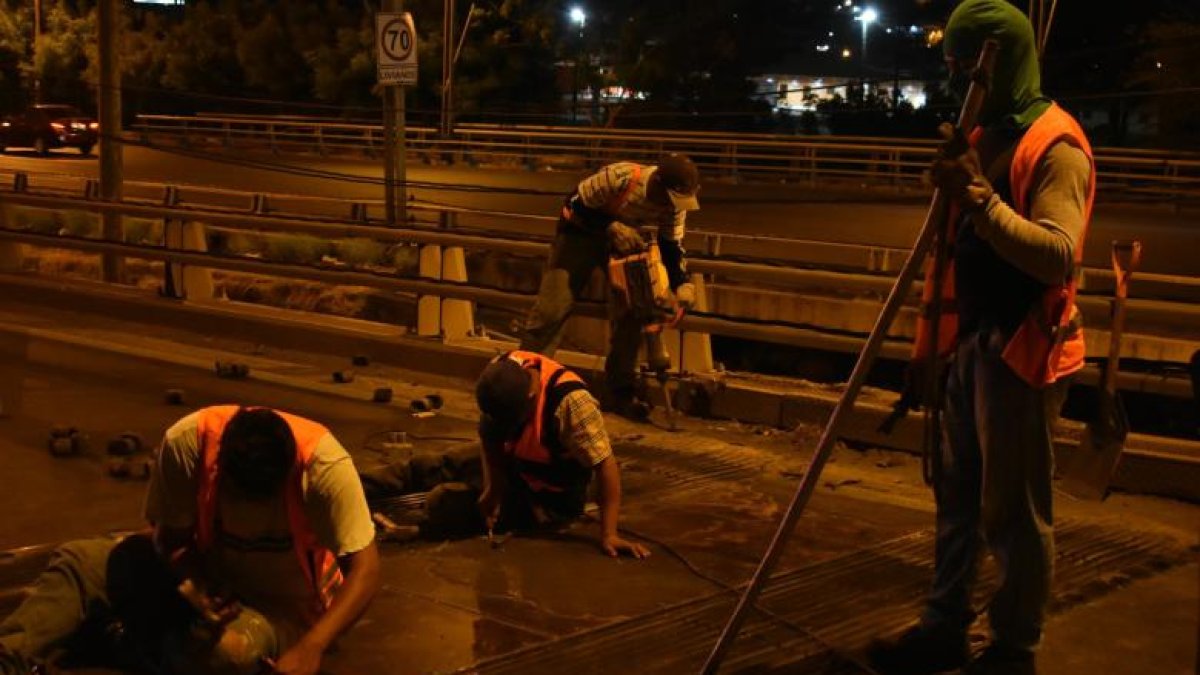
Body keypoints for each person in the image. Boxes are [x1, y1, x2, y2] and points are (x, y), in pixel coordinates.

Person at [868, 2, 1095, 675]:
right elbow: (953, 249)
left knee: (1013, 513)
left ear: (1002, 60)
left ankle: (1013, 650)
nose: (958, 79)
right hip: (971, 342)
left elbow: (1056, 255)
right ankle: (944, 626)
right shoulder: (983, 133)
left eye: (968, 65)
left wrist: (979, 198)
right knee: (957, 501)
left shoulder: (1055, 147)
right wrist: (931, 349)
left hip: (1024, 351)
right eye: (951, 65)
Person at [0, 406, 380, 675]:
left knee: (225, 656)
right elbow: (170, 539)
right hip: (210, 576)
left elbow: (366, 570)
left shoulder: (324, 467)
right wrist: (197, 581)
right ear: (221, 466)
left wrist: (312, 646)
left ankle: (117, 638)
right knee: (80, 562)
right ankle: (9, 654)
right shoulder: (189, 442)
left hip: (280, 604)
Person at [359, 351, 650, 559]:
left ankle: (422, 523)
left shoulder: (572, 405)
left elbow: (605, 465)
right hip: (515, 463)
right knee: (432, 465)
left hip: (548, 496)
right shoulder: (500, 372)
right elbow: (490, 438)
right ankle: (352, 487)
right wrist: (493, 489)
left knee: (444, 503)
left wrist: (609, 533)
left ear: (530, 398)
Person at [518, 153, 701, 420]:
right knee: (552, 309)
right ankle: (525, 385)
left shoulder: (676, 205)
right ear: (658, 185)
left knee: (632, 313)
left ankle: (620, 392)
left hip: (623, 243)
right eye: (669, 199)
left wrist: (681, 282)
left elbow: (671, 245)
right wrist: (610, 225)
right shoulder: (620, 178)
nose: (670, 207)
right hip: (579, 236)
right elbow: (572, 206)